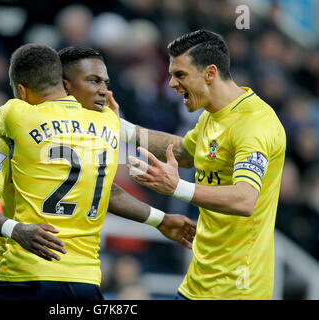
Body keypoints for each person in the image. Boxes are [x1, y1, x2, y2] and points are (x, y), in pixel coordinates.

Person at [0, 44, 196, 300]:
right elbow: (179, 156)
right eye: (94, 81)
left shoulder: (15, 120)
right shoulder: (108, 124)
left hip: (25, 277)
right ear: (65, 86)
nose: (104, 91)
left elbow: (106, 189)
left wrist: (161, 219)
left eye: (106, 82)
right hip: (78, 282)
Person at [121, 30, 286, 300]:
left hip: (237, 292)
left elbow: (245, 199)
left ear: (210, 73)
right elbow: (186, 152)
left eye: (181, 75)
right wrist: (123, 129)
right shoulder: (213, 114)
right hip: (197, 284)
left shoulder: (254, 125)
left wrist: (177, 187)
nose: (172, 83)